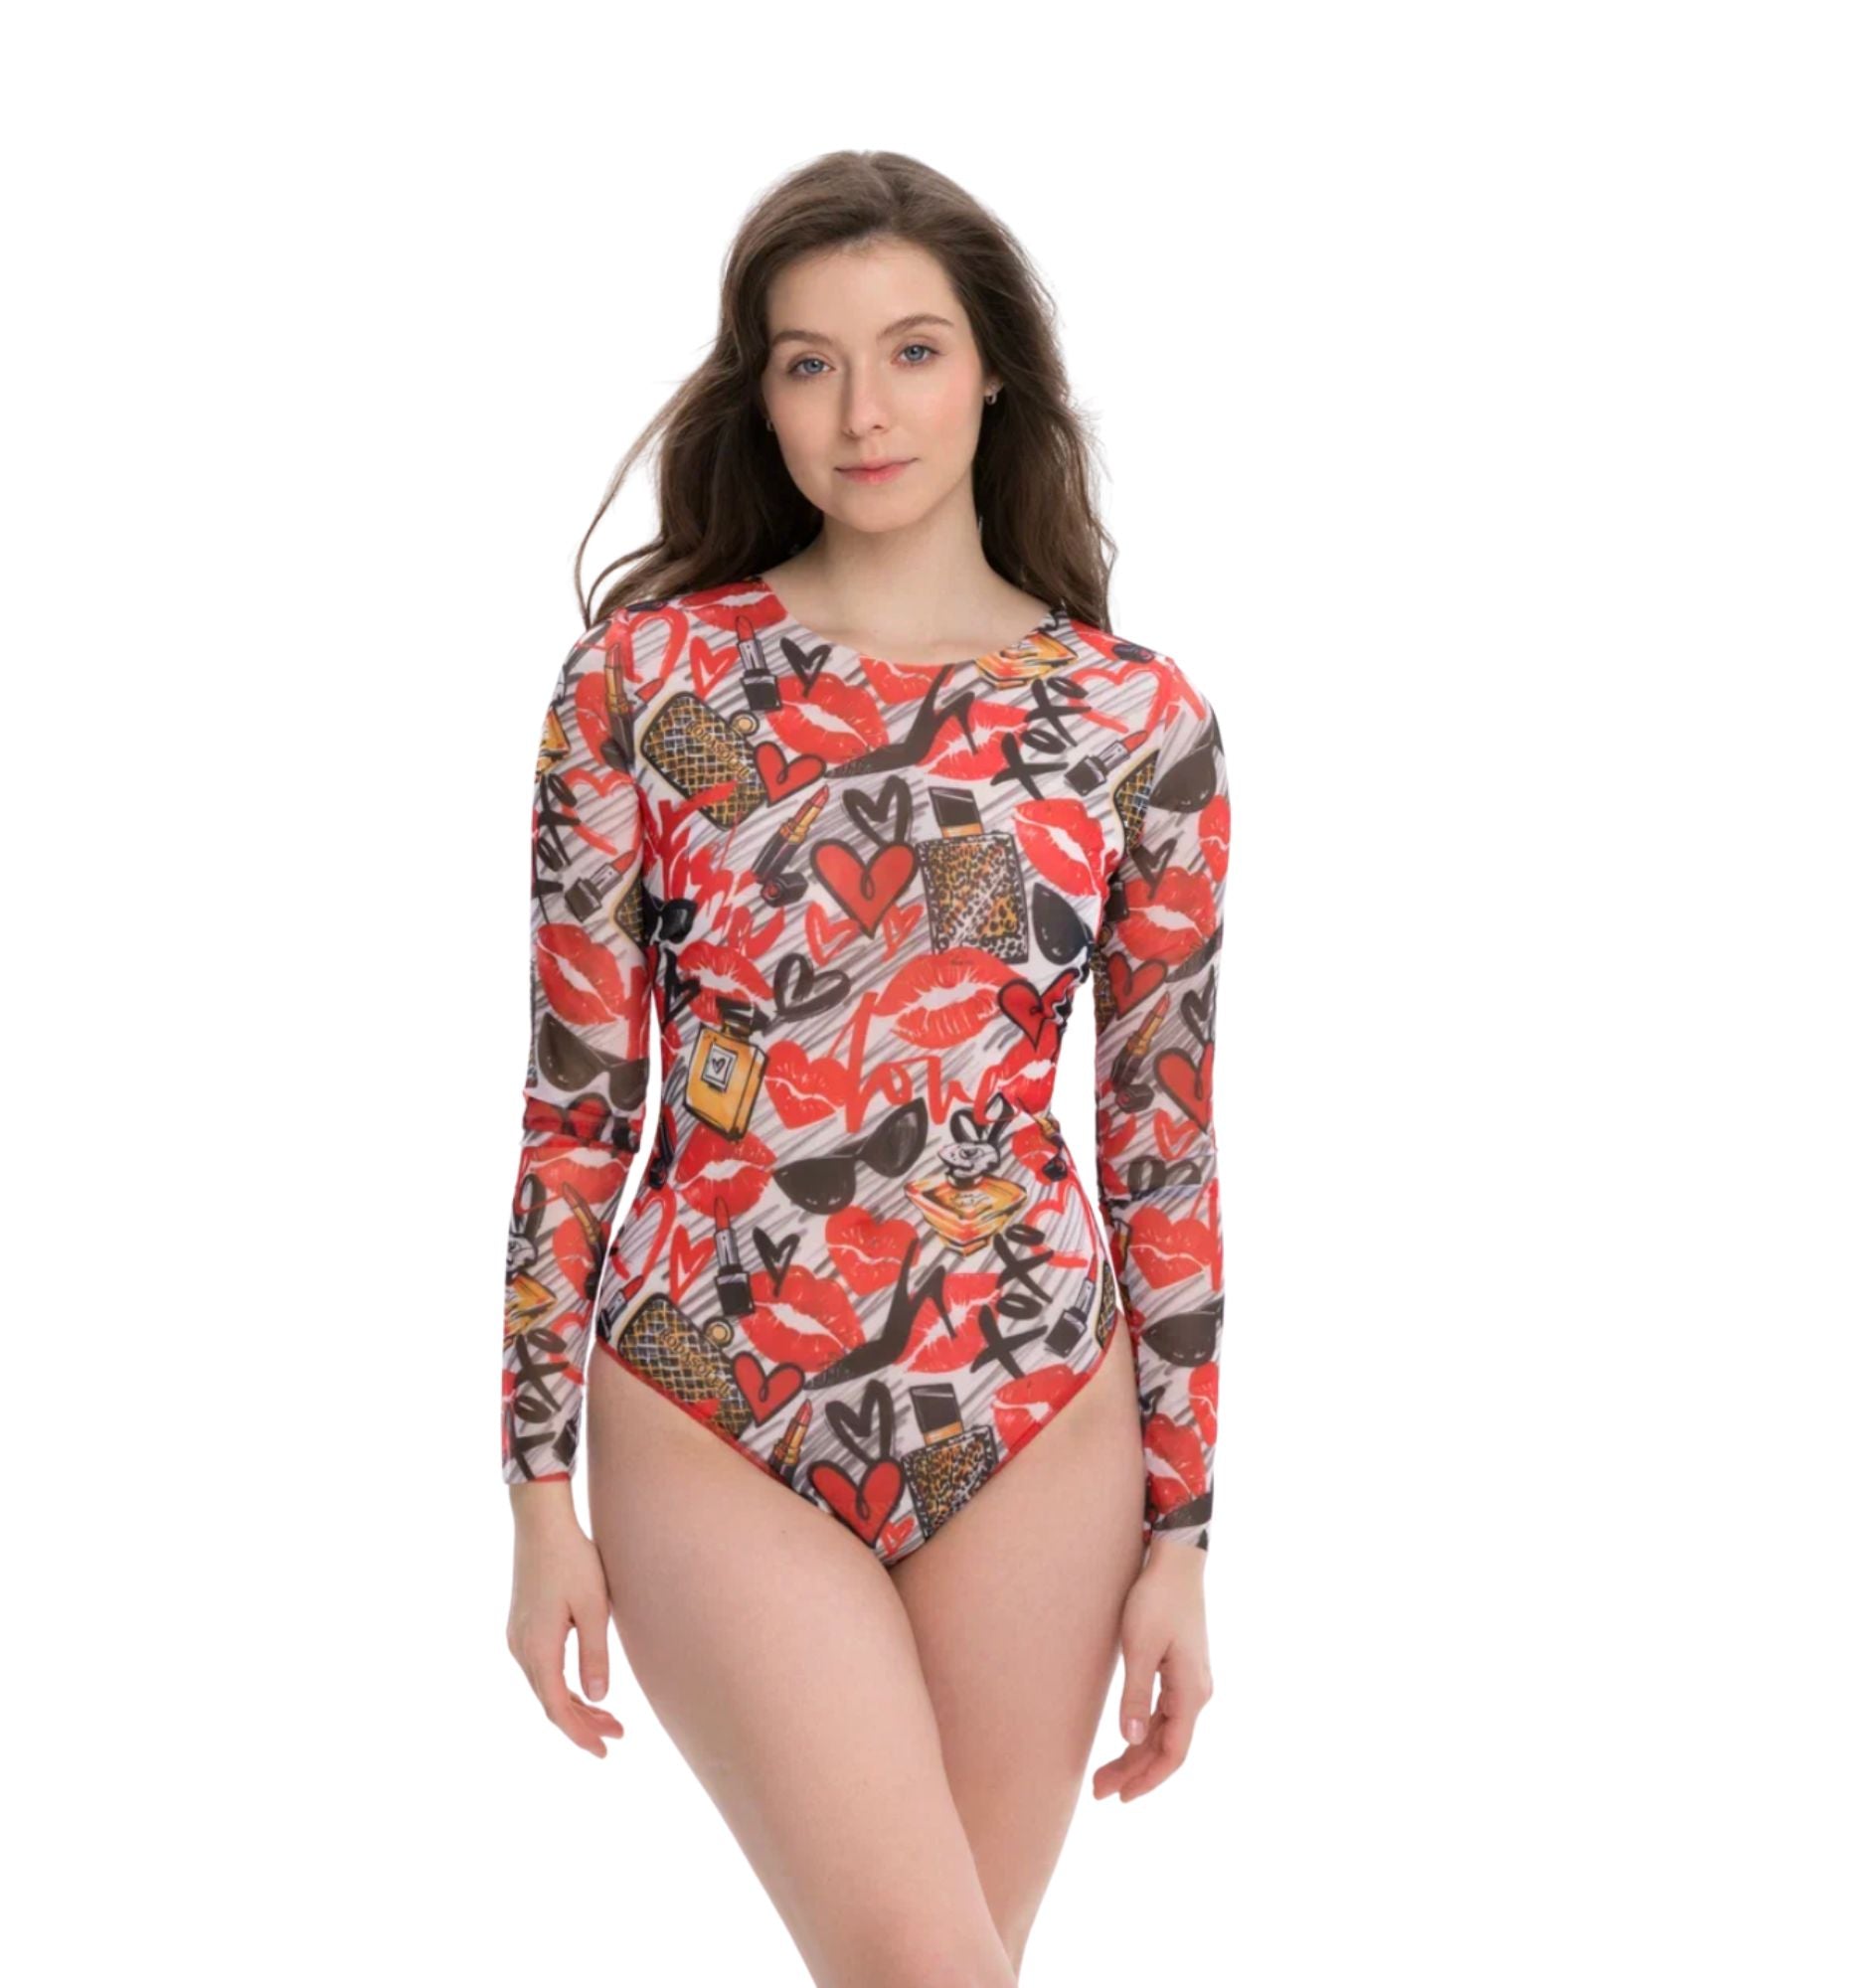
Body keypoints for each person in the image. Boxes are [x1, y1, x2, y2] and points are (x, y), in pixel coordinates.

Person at [501, 150, 1231, 1986]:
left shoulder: (1138, 725)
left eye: (911, 351)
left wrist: (1184, 1533)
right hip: (710, 1390)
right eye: (808, 363)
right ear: (759, 394)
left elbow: (1160, 1136)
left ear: (995, 374)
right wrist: (534, 1490)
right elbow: (577, 1111)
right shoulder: (641, 687)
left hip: (1037, 1408)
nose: (863, 412)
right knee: (923, 1962)